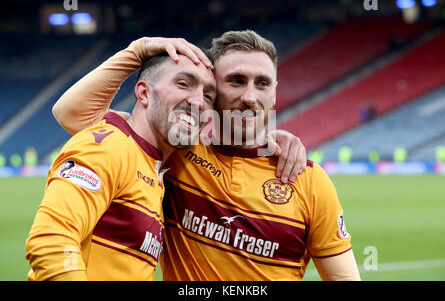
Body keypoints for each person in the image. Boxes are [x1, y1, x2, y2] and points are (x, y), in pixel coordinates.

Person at [53, 31, 360, 280]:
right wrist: (137, 51)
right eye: (236, 81)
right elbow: (72, 115)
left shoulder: (308, 180)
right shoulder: (175, 152)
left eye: (262, 83)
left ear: (275, 92)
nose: (250, 97)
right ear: (212, 90)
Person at [25, 38, 218, 280]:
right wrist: (137, 50)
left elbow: (69, 112)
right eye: (183, 84)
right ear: (144, 92)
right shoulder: (108, 147)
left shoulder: (152, 161)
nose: (198, 102)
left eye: (209, 96)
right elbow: (52, 240)